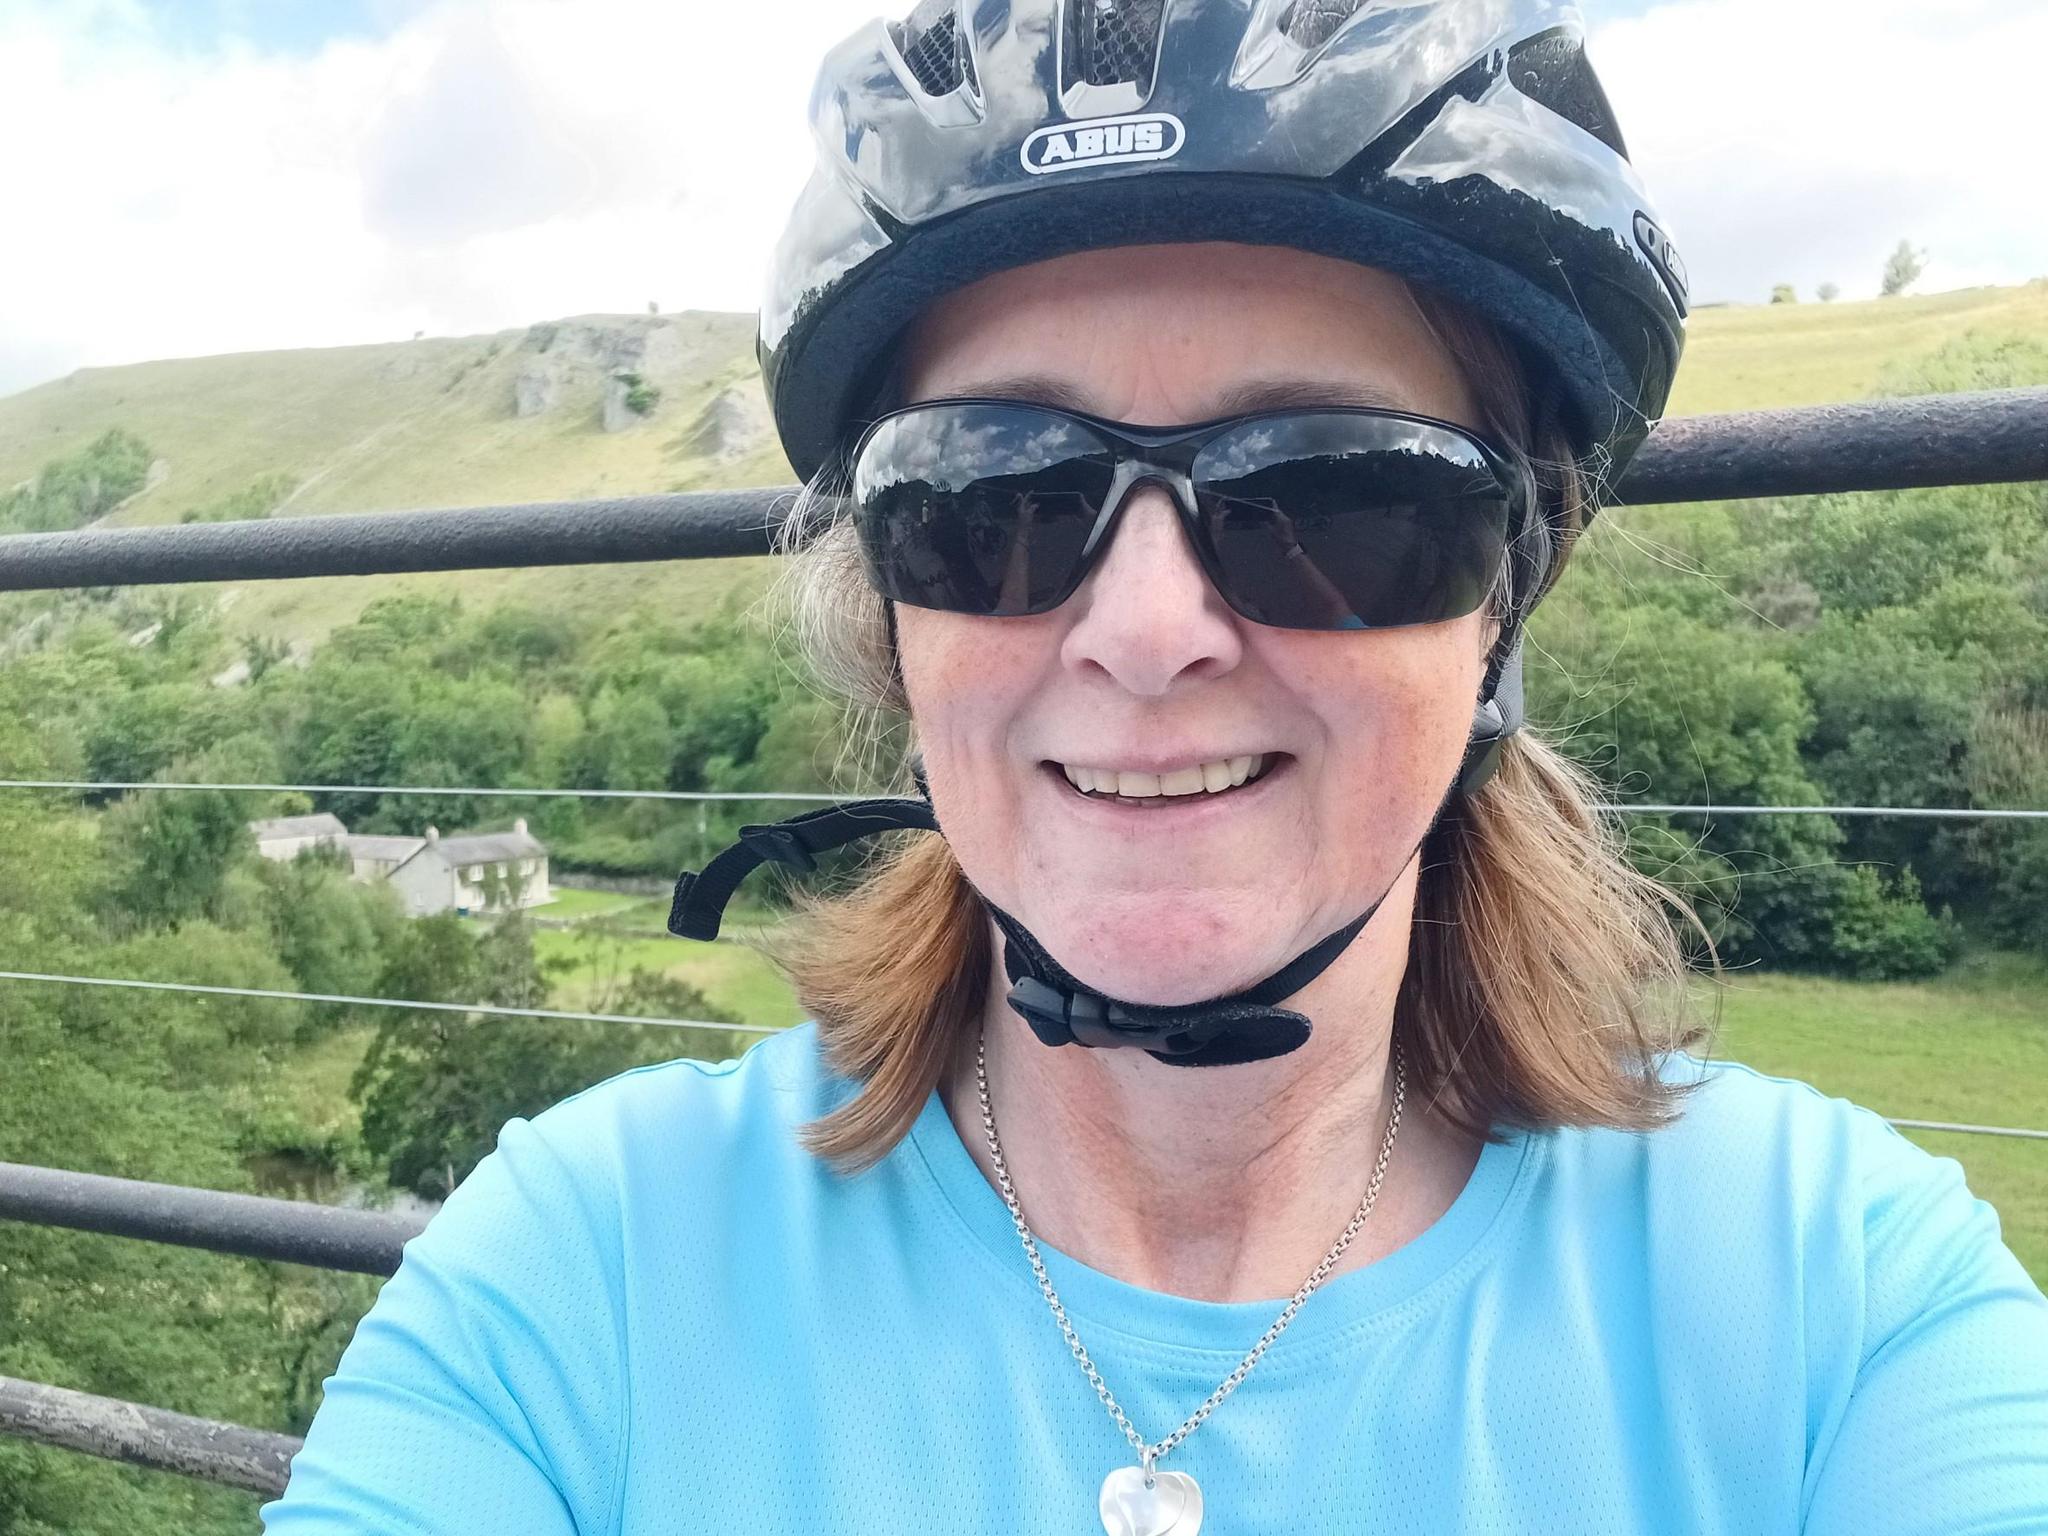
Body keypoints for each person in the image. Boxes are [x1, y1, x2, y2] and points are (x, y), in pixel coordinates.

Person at [263, 2, 2048, 1531]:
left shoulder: (1837, 1295)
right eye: (992, 496)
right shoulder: (591, 1264)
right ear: (892, 620)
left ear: (1500, 602)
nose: (1142, 630)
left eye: (1334, 492)